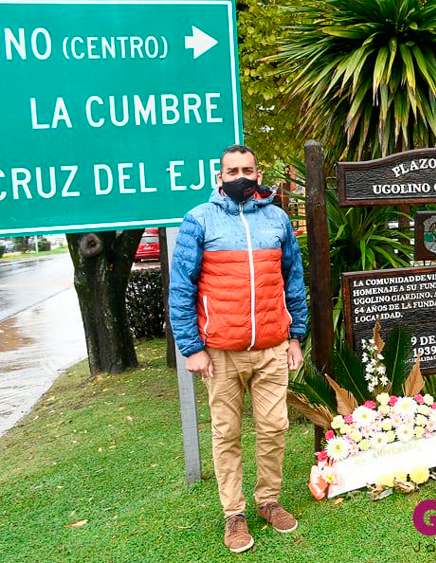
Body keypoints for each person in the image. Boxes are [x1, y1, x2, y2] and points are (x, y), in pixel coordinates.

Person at [169, 145, 308, 553]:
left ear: (259, 173)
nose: (240, 177)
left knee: (274, 428)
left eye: (247, 169)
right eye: (232, 171)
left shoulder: (278, 220)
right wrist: (191, 348)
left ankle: (269, 501)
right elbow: (181, 288)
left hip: (271, 347)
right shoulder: (199, 220)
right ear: (220, 177)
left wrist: (295, 336)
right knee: (227, 433)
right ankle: (234, 513)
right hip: (221, 352)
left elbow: (293, 282)